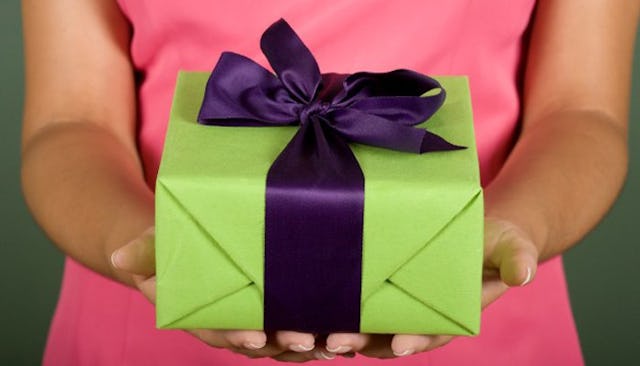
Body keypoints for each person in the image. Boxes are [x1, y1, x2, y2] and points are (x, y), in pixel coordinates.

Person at [21, 0, 638, 364]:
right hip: (146, 297)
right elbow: (72, 120)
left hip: (484, 300)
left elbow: (581, 111)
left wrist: (516, 230)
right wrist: (153, 248)